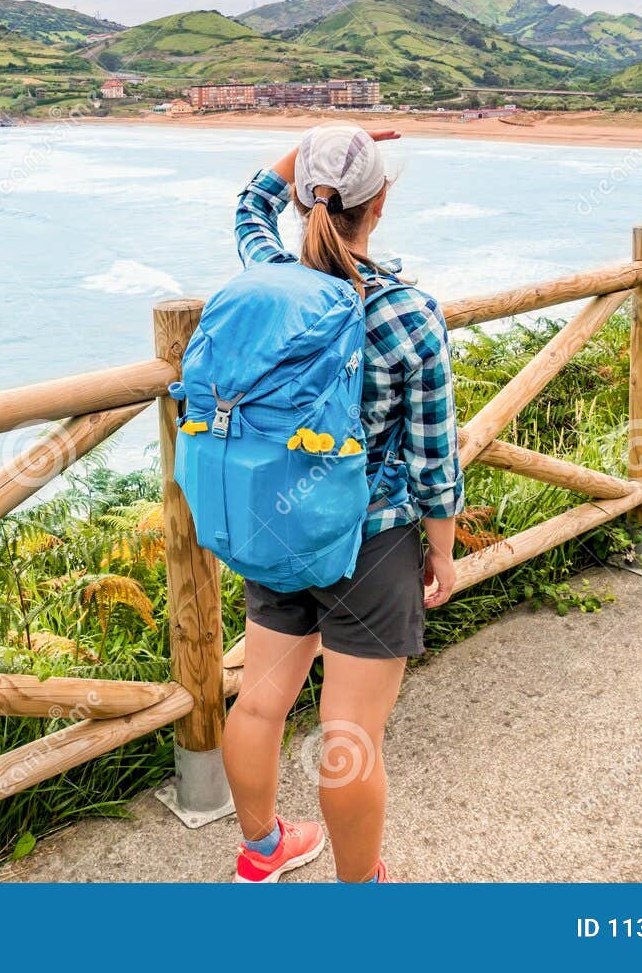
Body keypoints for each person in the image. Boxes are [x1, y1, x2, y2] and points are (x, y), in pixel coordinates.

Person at [222, 122, 463, 884]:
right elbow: (434, 462)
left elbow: (247, 211)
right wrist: (445, 550)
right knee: (349, 730)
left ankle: (262, 850)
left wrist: (310, 150)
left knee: (260, 706)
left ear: (304, 202)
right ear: (380, 204)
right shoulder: (410, 315)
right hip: (373, 539)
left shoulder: (268, 280)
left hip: (277, 526)